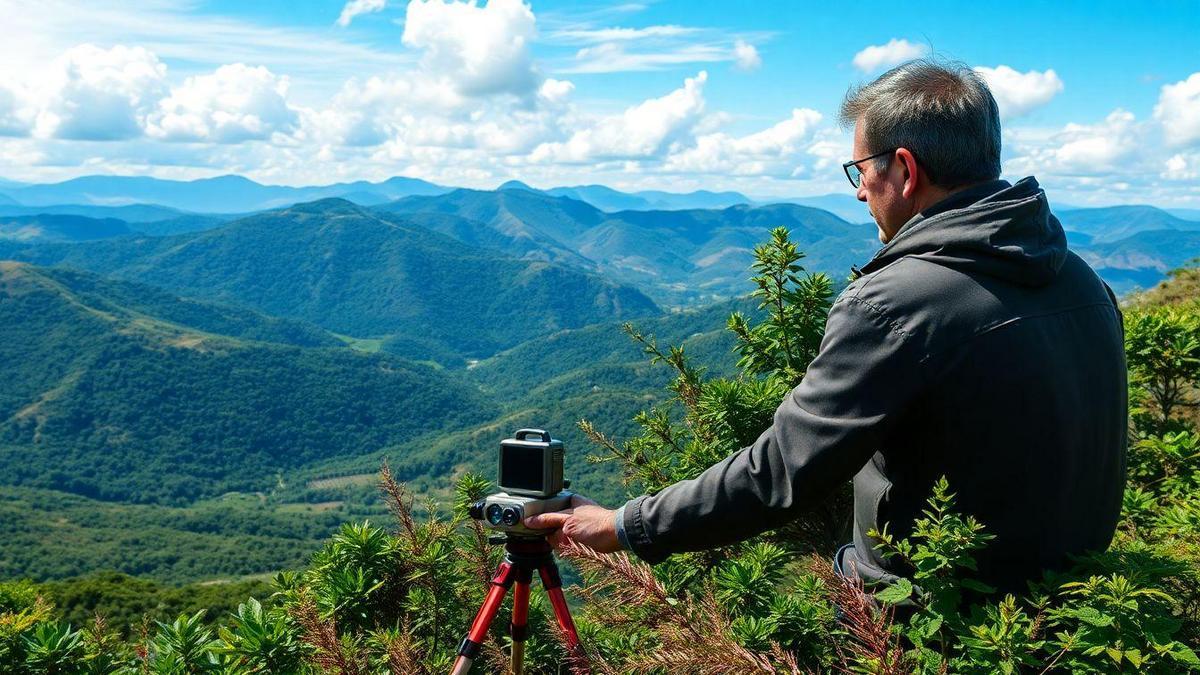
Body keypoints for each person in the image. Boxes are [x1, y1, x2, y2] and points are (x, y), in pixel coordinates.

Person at [525, 59, 1127, 593]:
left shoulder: (897, 302)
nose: (860, 192)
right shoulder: (1082, 280)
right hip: (1073, 600)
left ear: (905, 170)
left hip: (931, 617)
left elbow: (782, 472)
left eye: (860, 168)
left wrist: (624, 524)